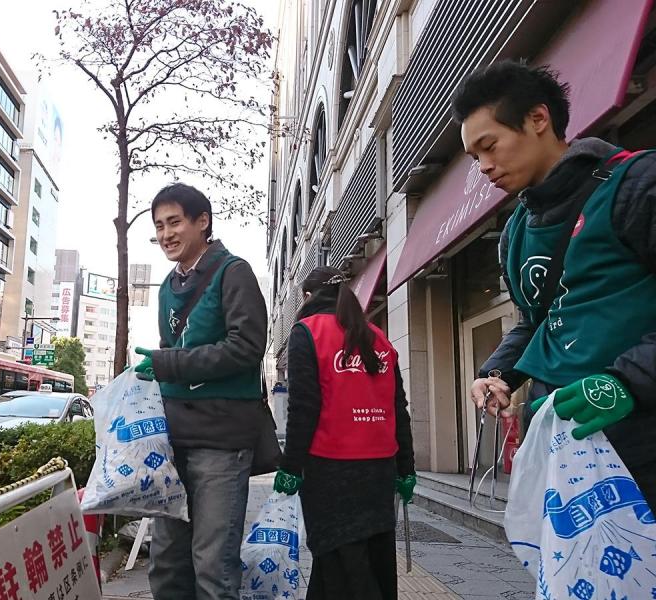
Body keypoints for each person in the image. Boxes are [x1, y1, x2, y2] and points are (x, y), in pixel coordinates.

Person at [453, 59, 656, 508]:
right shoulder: (515, 231)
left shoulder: (637, 183)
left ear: (538, 119)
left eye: (490, 145)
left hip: (642, 443)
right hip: (562, 451)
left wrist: (627, 381)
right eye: (474, 158)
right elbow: (539, 320)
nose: (484, 167)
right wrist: (496, 372)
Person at [133, 183, 267, 600]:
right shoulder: (167, 288)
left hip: (222, 440)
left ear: (202, 222)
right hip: (174, 439)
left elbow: (247, 347)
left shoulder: (234, 271)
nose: (165, 234)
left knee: (213, 565)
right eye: (159, 226)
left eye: (174, 222)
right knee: (167, 560)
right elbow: (170, 352)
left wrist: (166, 363)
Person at [273, 266, 415, 600]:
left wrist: (291, 467)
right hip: (379, 471)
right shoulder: (378, 338)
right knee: (371, 561)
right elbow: (398, 409)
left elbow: (303, 409)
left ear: (308, 296)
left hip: (331, 471)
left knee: (343, 567)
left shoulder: (307, 332)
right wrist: (405, 470)